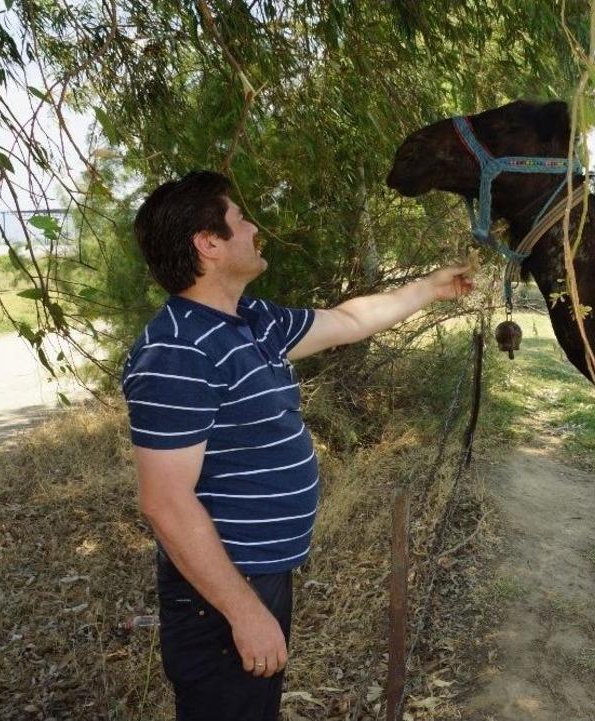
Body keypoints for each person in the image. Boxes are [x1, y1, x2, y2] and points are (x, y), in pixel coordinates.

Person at [121, 170, 472, 720]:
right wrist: (244, 613)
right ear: (208, 243)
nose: (255, 227)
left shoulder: (251, 322)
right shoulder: (177, 351)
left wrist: (428, 288)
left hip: (260, 574)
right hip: (220, 591)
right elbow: (164, 502)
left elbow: (350, 320)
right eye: (241, 219)